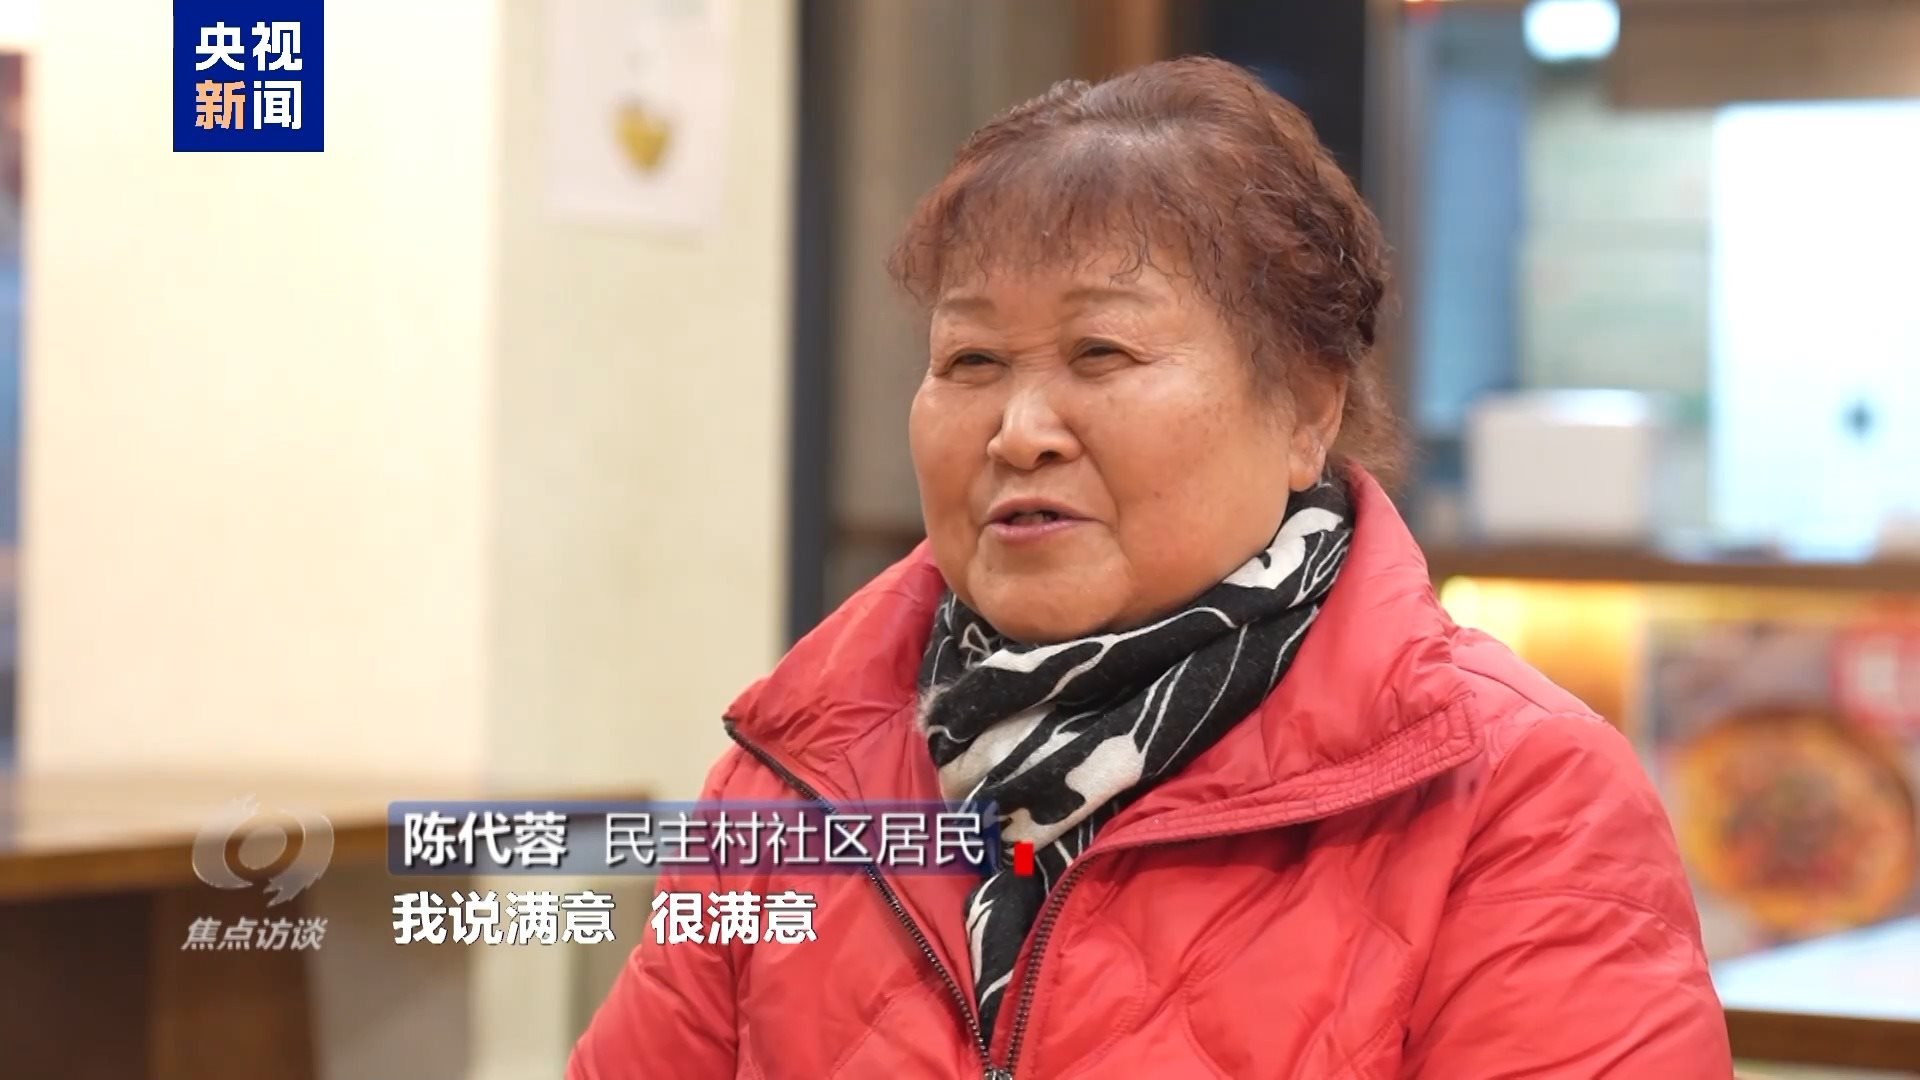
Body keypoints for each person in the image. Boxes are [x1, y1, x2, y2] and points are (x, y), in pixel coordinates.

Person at [570, 57, 1732, 1078]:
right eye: (970, 360)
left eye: (1101, 351)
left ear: (1306, 409)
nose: (1020, 429)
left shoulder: (1517, 795)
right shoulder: (790, 781)